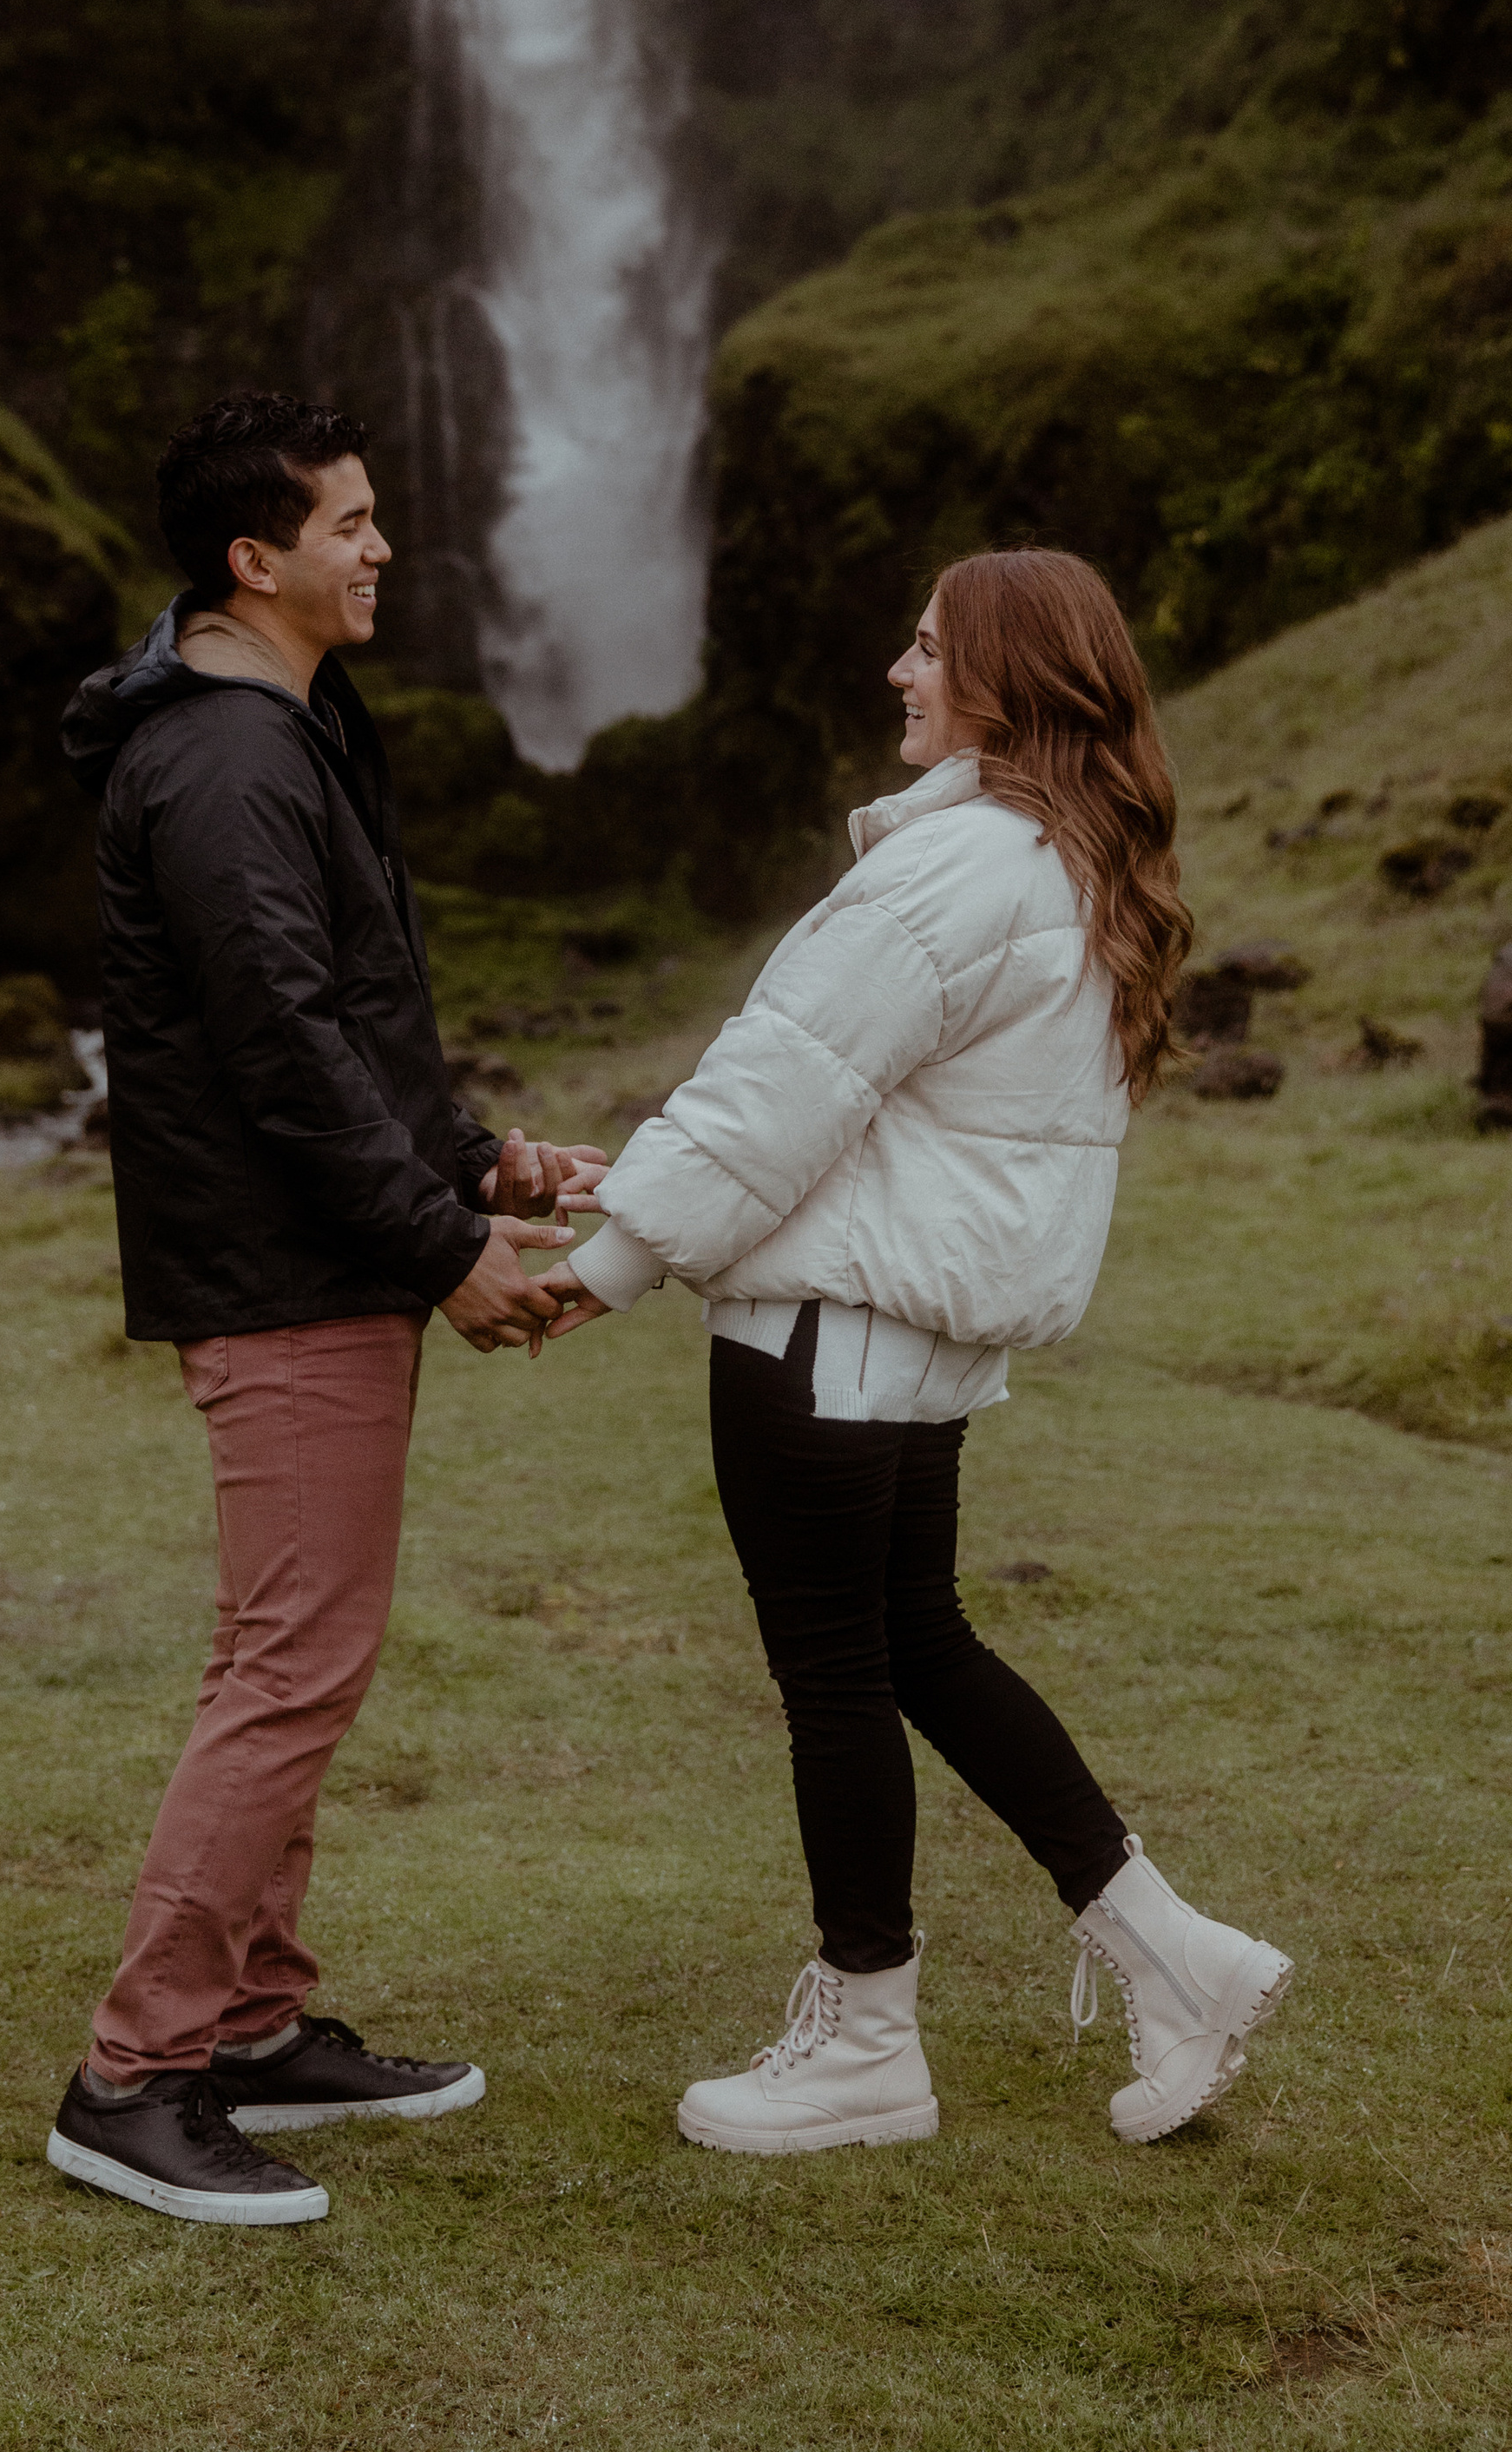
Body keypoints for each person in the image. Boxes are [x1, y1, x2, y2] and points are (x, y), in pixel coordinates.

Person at [539, 547, 1294, 2155]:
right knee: (920, 1647)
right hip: (914, 1339)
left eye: (931, 647)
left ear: (1005, 684)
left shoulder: (949, 871)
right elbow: (888, 1118)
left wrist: (604, 1266)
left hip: (826, 1341)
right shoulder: (1068, 867)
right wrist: (652, 1187)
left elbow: (778, 1091)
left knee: (837, 1678)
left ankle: (868, 2041)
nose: (898, 667)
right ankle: (1181, 1956)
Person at [49, 390, 605, 2227]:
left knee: (293, 1653)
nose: (381, 550)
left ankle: (256, 2021)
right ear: (252, 558)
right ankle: (133, 2075)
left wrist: (477, 1163)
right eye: (352, 524)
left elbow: (349, 1022)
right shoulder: (219, 764)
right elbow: (278, 1056)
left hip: (323, 1253)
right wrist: (441, 1251)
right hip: (288, 1274)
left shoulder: (280, 733)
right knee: (291, 1667)